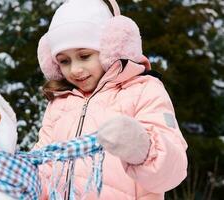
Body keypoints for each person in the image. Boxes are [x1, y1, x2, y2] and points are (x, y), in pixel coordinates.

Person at [34, 0, 188, 199]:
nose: (75, 70)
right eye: (64, 61)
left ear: (110, 49)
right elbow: (44, 165)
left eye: (84, 56)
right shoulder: (60, 102)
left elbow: (173, 172)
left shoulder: (144, 90)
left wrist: (142, 148)